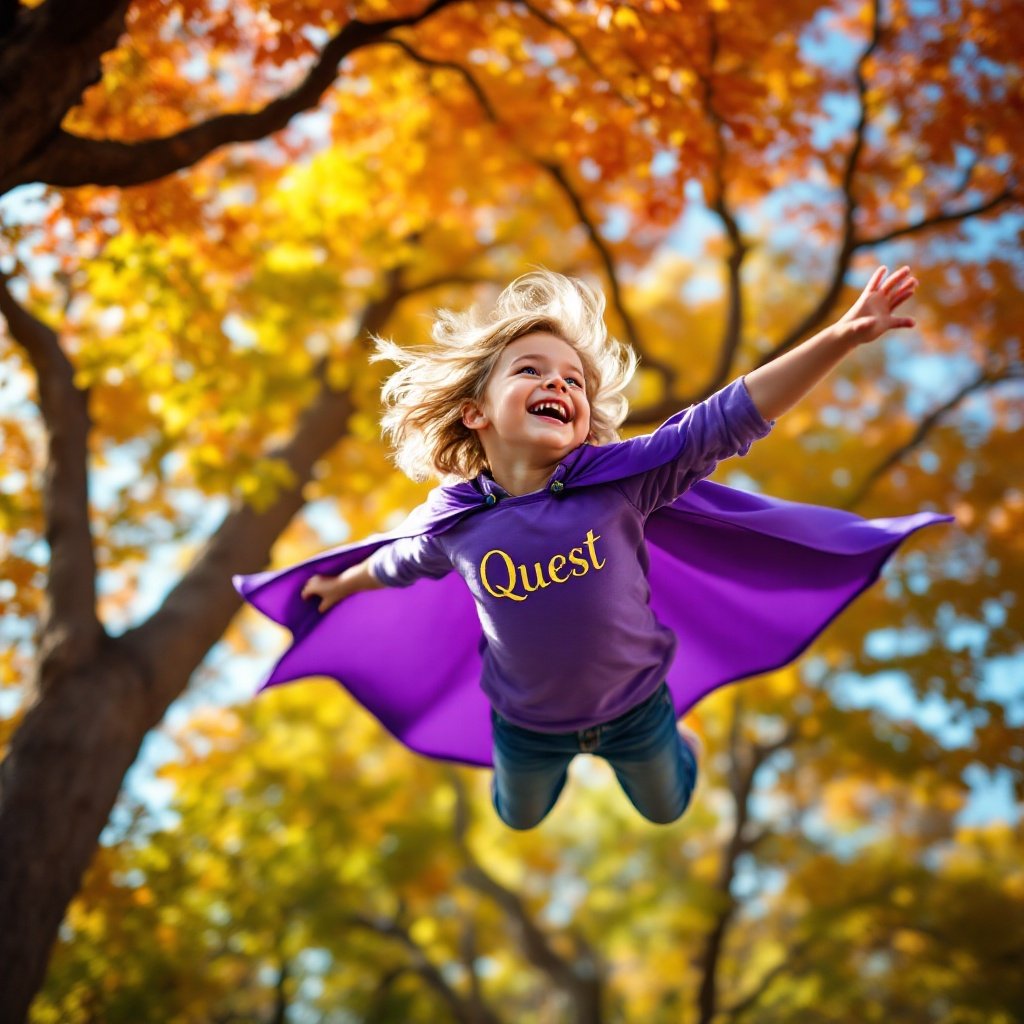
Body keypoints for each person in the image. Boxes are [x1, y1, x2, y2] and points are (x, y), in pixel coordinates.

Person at [268, 265, 944, 830]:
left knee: (665, 809)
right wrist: (340, 585)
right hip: (526, 725)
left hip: (637, 709)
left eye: (575, 382)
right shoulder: (455, 524)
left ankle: (681, 744)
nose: (560, 384)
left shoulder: (621, 485)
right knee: (518, 816)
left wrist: (840, 338)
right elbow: (395, 564)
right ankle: (536, 778)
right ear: (475, 412)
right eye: (531, 370)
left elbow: (727, 418)